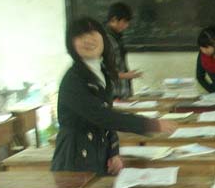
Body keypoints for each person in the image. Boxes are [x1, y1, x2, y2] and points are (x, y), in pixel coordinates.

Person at [51, 17, 176, 175]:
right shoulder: (73, 79)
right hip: (75, 159)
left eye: (92, 33)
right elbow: (102, 116)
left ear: (103, 36)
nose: (88, 40)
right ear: (71, 44)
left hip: (98, 152)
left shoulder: (102, 72)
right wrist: (150, 124)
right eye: (80, 36)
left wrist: (113, 152)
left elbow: (107, 117)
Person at [104, 2, 142, 100]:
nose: (127, 25)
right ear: (114, 19)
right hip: (113, 94)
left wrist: (127, 74)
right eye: (124, 22)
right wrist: (125, 75)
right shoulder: (105, 39)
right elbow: (103, 71)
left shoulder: (116, 37)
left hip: (122, 93)